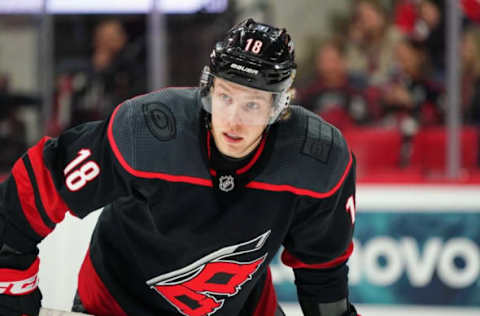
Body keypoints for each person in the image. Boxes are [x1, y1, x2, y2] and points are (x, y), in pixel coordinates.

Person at [0, 18, 358, 316]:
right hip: (117, 306)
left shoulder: (318, 160)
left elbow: (322, 275)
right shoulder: (146, 133)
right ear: (208, 88)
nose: (233, 120)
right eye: (225, 96)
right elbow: (37, 185)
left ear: (279, 107)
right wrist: (12, 291)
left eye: (252, 105)